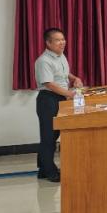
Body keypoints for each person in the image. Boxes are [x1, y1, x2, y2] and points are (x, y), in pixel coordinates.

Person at [34, 27, 84, 183]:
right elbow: (49, 83)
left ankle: (43, 169)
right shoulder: (43, 61)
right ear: (48, 43)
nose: (62, 42)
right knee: (48, 136)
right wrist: (69, 93)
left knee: (54, 135)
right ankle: (50, 172)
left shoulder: (60, 56)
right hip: (48, 100)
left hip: (60, 98)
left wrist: (74, 78)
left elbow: (63, 74)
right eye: (58, 40)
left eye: (63, 39)